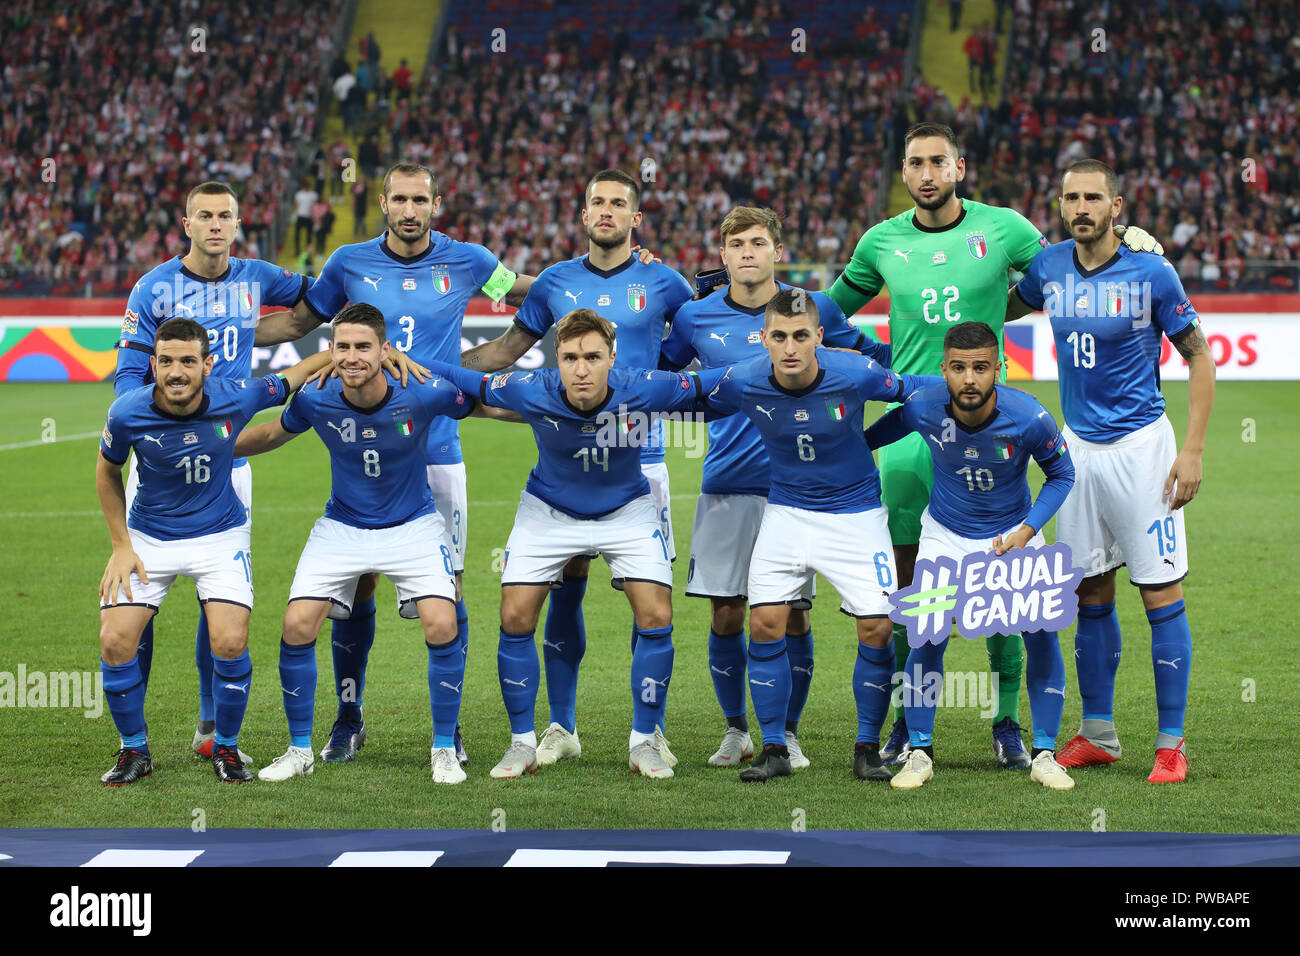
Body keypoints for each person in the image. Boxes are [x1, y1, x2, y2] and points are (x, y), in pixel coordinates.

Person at [825, 121, 1162, 770]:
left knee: (1008, 593)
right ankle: (903, 723)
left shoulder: (1004, 228)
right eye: (915, 162)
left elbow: (1066, 266)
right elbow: (827, 311)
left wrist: (1130, 251)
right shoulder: (880, 241)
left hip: (993, 433)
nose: (927, 173)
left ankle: (1007, 722)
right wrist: (750, 299)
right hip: (911, 432)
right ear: (904, 173)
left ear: (959, 168)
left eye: (938, 162)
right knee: (910, 595)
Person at [302, 161, 535, 768]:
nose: (410, 210)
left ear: (437, 204)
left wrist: (593, 283)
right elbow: (306, 318)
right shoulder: (347, 262)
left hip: (437, 450)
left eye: (420, 200)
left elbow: (526, 294)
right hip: (365, 446)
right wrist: (232, 324)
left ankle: (448, 729)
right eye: (399, 199)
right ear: (383, 202)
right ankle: (349, 718)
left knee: (448, 587)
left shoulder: (472, 261)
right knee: (356, 583)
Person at [460, 169, 693, 768]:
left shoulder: (665, 282)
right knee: (563, 598)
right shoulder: (556, 283)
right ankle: (560, 727)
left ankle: (650, 733)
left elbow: (696, 345)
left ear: (636, 218)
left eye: (619, 203)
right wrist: (425, 365)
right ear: (582, 213)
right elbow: (504, 355)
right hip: (564, 459)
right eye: (597, 202)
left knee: (651, 605)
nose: (607, 211)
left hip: (644, 464)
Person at [429, 310, 721, 780]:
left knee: (657, 614)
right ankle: (523, 743)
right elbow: (466, 381)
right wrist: (395, 357)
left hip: (627, 510)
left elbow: (717, 384)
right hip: (548, 511)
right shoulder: (531, 388)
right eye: (569, 357)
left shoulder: (646, 386)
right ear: (556, 359)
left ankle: (644, 741)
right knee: (514, 615)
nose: (580, 368)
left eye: (591, 357)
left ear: (611, 358)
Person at [234, 304, 518, 785]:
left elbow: (485, 403)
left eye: (363, 347)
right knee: (297, 622)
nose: (351, 356)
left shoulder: (423, 392)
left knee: (442, 619)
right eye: (342, 346)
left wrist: (558, 412)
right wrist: (212, 445)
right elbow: (271, 434)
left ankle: (445, 746)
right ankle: (300, 747)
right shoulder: (315, 397)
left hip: (413, 524)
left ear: (386, 351)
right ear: (329, 351)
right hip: (342, 525)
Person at [658, 205, 890, 770]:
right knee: (728, 613)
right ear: (722, 255)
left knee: (795, 616)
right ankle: (737, 729)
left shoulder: (815, 310)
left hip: (808, 492)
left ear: (777, 251)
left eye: (758, 243)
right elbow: (669, 383)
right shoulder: (695, 317)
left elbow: (874, 362)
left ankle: (786, 732)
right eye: (736, 244)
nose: (747, 253)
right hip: (730, 480)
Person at [1008, 159, 1214, 784]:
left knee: (1159, 594)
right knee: (1090, 593)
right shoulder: (1045, 270)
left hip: (1143, 451)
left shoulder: (1152, 272)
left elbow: (1199, 358)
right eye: (1071, 197)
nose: (1081, 208)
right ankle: (1098, 733)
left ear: (1116, 206)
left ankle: (1171, 743)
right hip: (1077, 453)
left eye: (1093, 198)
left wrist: (1194, 450)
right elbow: (998, 301)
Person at [114, 181, 330, 767]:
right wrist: (161, 421)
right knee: (140, 592)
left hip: (229, 453)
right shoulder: (153, 286)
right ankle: (135, 730)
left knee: (219, 596)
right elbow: (130, 368)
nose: (215, 225)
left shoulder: (259, 277)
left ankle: (211, 722)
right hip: (160, 455)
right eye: (204, 216)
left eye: (225, 216)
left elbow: (318, 299)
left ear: (237, 224)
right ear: (186, 224)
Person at [699, 290, 939, 783]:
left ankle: (867, 748)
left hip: (857, 517)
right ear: (763, 339)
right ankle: (773, 748)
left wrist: (875, 436)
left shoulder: (857, 373)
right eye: (780, 337)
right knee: (764, 623)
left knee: (875, 628)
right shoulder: (744, 378)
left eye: (801, 336)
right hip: (785, 514)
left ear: (819, 337)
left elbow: (918, 390)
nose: (791, 347)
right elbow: (681, 390)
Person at [96, 318, 331, 785]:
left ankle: (225, 746)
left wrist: (350, 355)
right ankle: (133, 751)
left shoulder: (238, 395)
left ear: (207, 364)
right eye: (166, 361)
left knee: (229, 640)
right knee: (115, 640)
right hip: (149, 538)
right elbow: (106, 472)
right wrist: (121, 546)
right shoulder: (126, 413)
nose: (176, 372)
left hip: (220, 535)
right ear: (153, 364)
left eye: (187, 361)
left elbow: (296, 374)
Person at [864, 321, 1077, 790]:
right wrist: (846, 452)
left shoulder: (1030, 417)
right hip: (945, 534)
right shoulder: (923, 405)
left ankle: (1044, 752)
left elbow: (1062, 474)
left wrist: (1028, 530)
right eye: (958, 368)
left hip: (1012, 536)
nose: (969, 379)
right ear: (944, 370)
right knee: (926, 635)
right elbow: (883, 431)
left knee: (1041, 633)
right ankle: (919, 750)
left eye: (981, 368)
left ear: (998, 369)